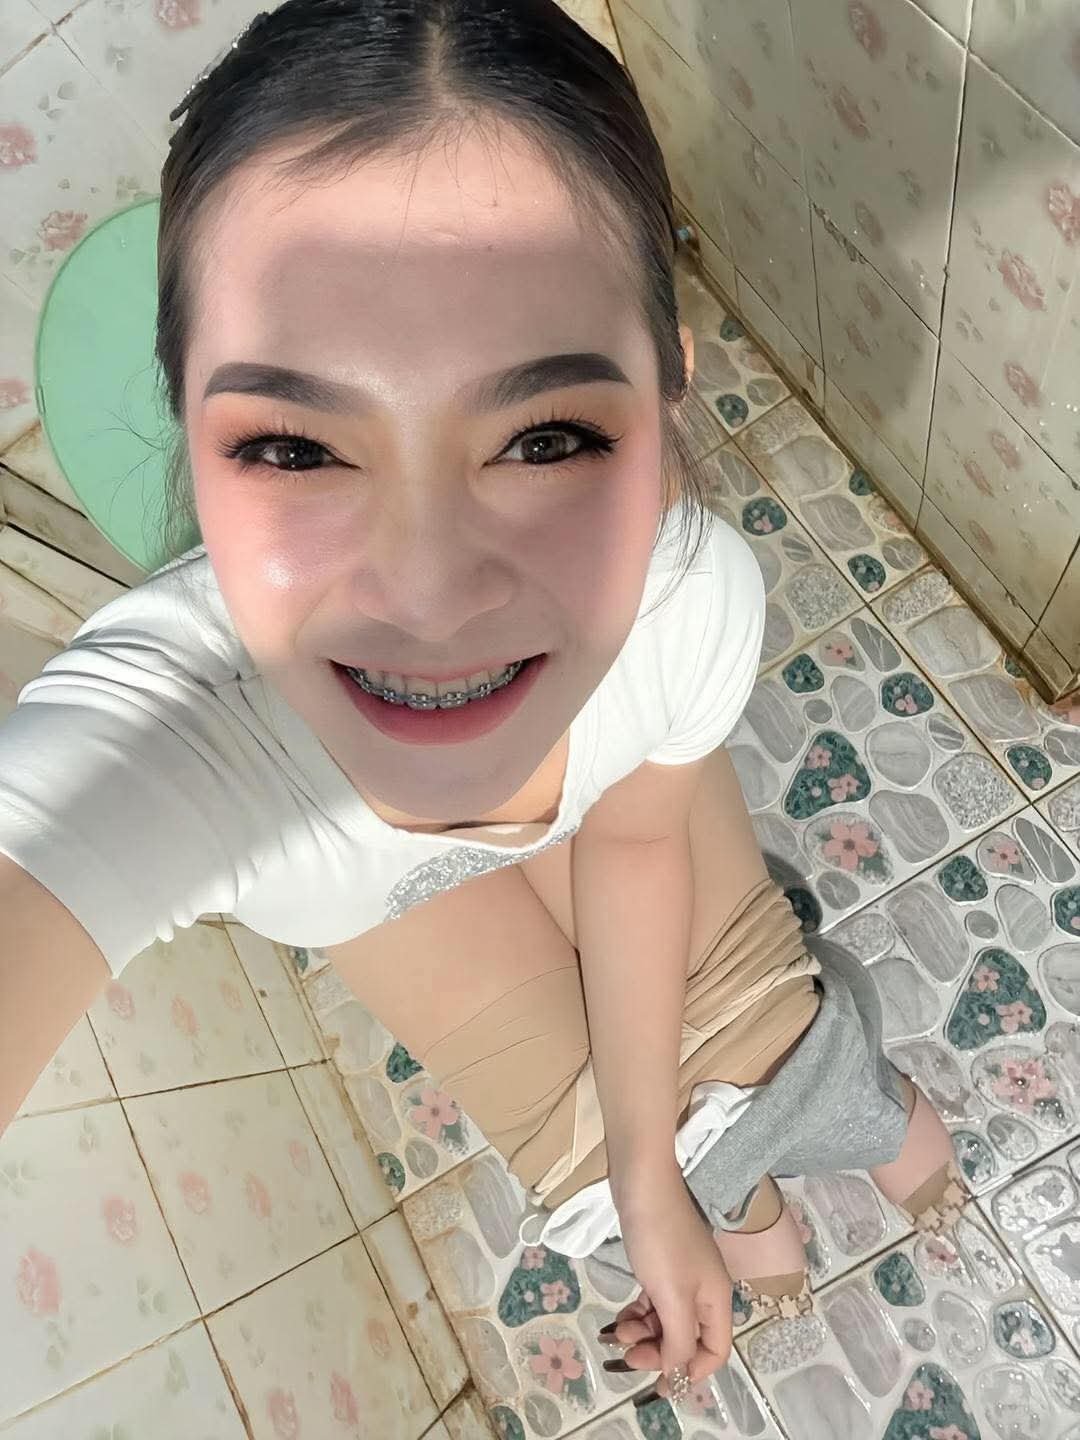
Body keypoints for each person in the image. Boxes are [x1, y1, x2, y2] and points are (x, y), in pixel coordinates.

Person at [0, 0, 965, 1408]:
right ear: (186, 430)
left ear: (671, 388)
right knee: (574, 1119)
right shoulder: (174, 734)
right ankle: (742, 1185)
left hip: (617, 794)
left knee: (750, 1019)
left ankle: (814, 1125)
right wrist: (633, 1175)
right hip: (395, 893)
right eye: (294, 446)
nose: (430, 600)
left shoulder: (685, 598)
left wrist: (651, 1179)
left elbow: (635, 840)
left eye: (546, 436)